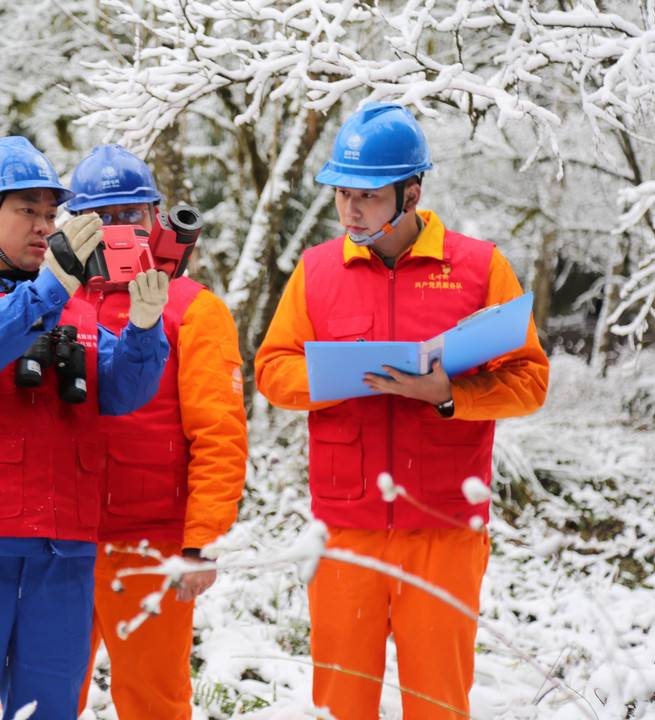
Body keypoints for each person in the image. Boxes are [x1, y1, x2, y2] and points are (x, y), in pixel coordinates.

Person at [255, 104, 550, 719]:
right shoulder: (315, 272)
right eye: (341, 195)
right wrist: (342, 378)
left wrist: (449, 397)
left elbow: (529, 381)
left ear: (411, 193)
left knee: (438, 700)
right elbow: (270, 371)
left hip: (443, 525)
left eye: (366, 196)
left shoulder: (478, 268)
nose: (350, 211)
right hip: (346, 527)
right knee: (341, 700)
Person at [0, 136, 171, 720]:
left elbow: (121, 393)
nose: (44, 227)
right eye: (26, 211)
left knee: (49, 712)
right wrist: (49, 290)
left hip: (62, 548)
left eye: (51, 214)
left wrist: (145, 329)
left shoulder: (77, 307)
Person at [67, 145, 248, 719]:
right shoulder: (56, 301)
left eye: (133, 216)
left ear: (156, 217)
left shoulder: (194, 309)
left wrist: (200, 542)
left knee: (153, 703)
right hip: (59, 540)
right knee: (41, 699)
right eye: (105, 217)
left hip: (150, 542)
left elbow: (218, 433)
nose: (121, 230)